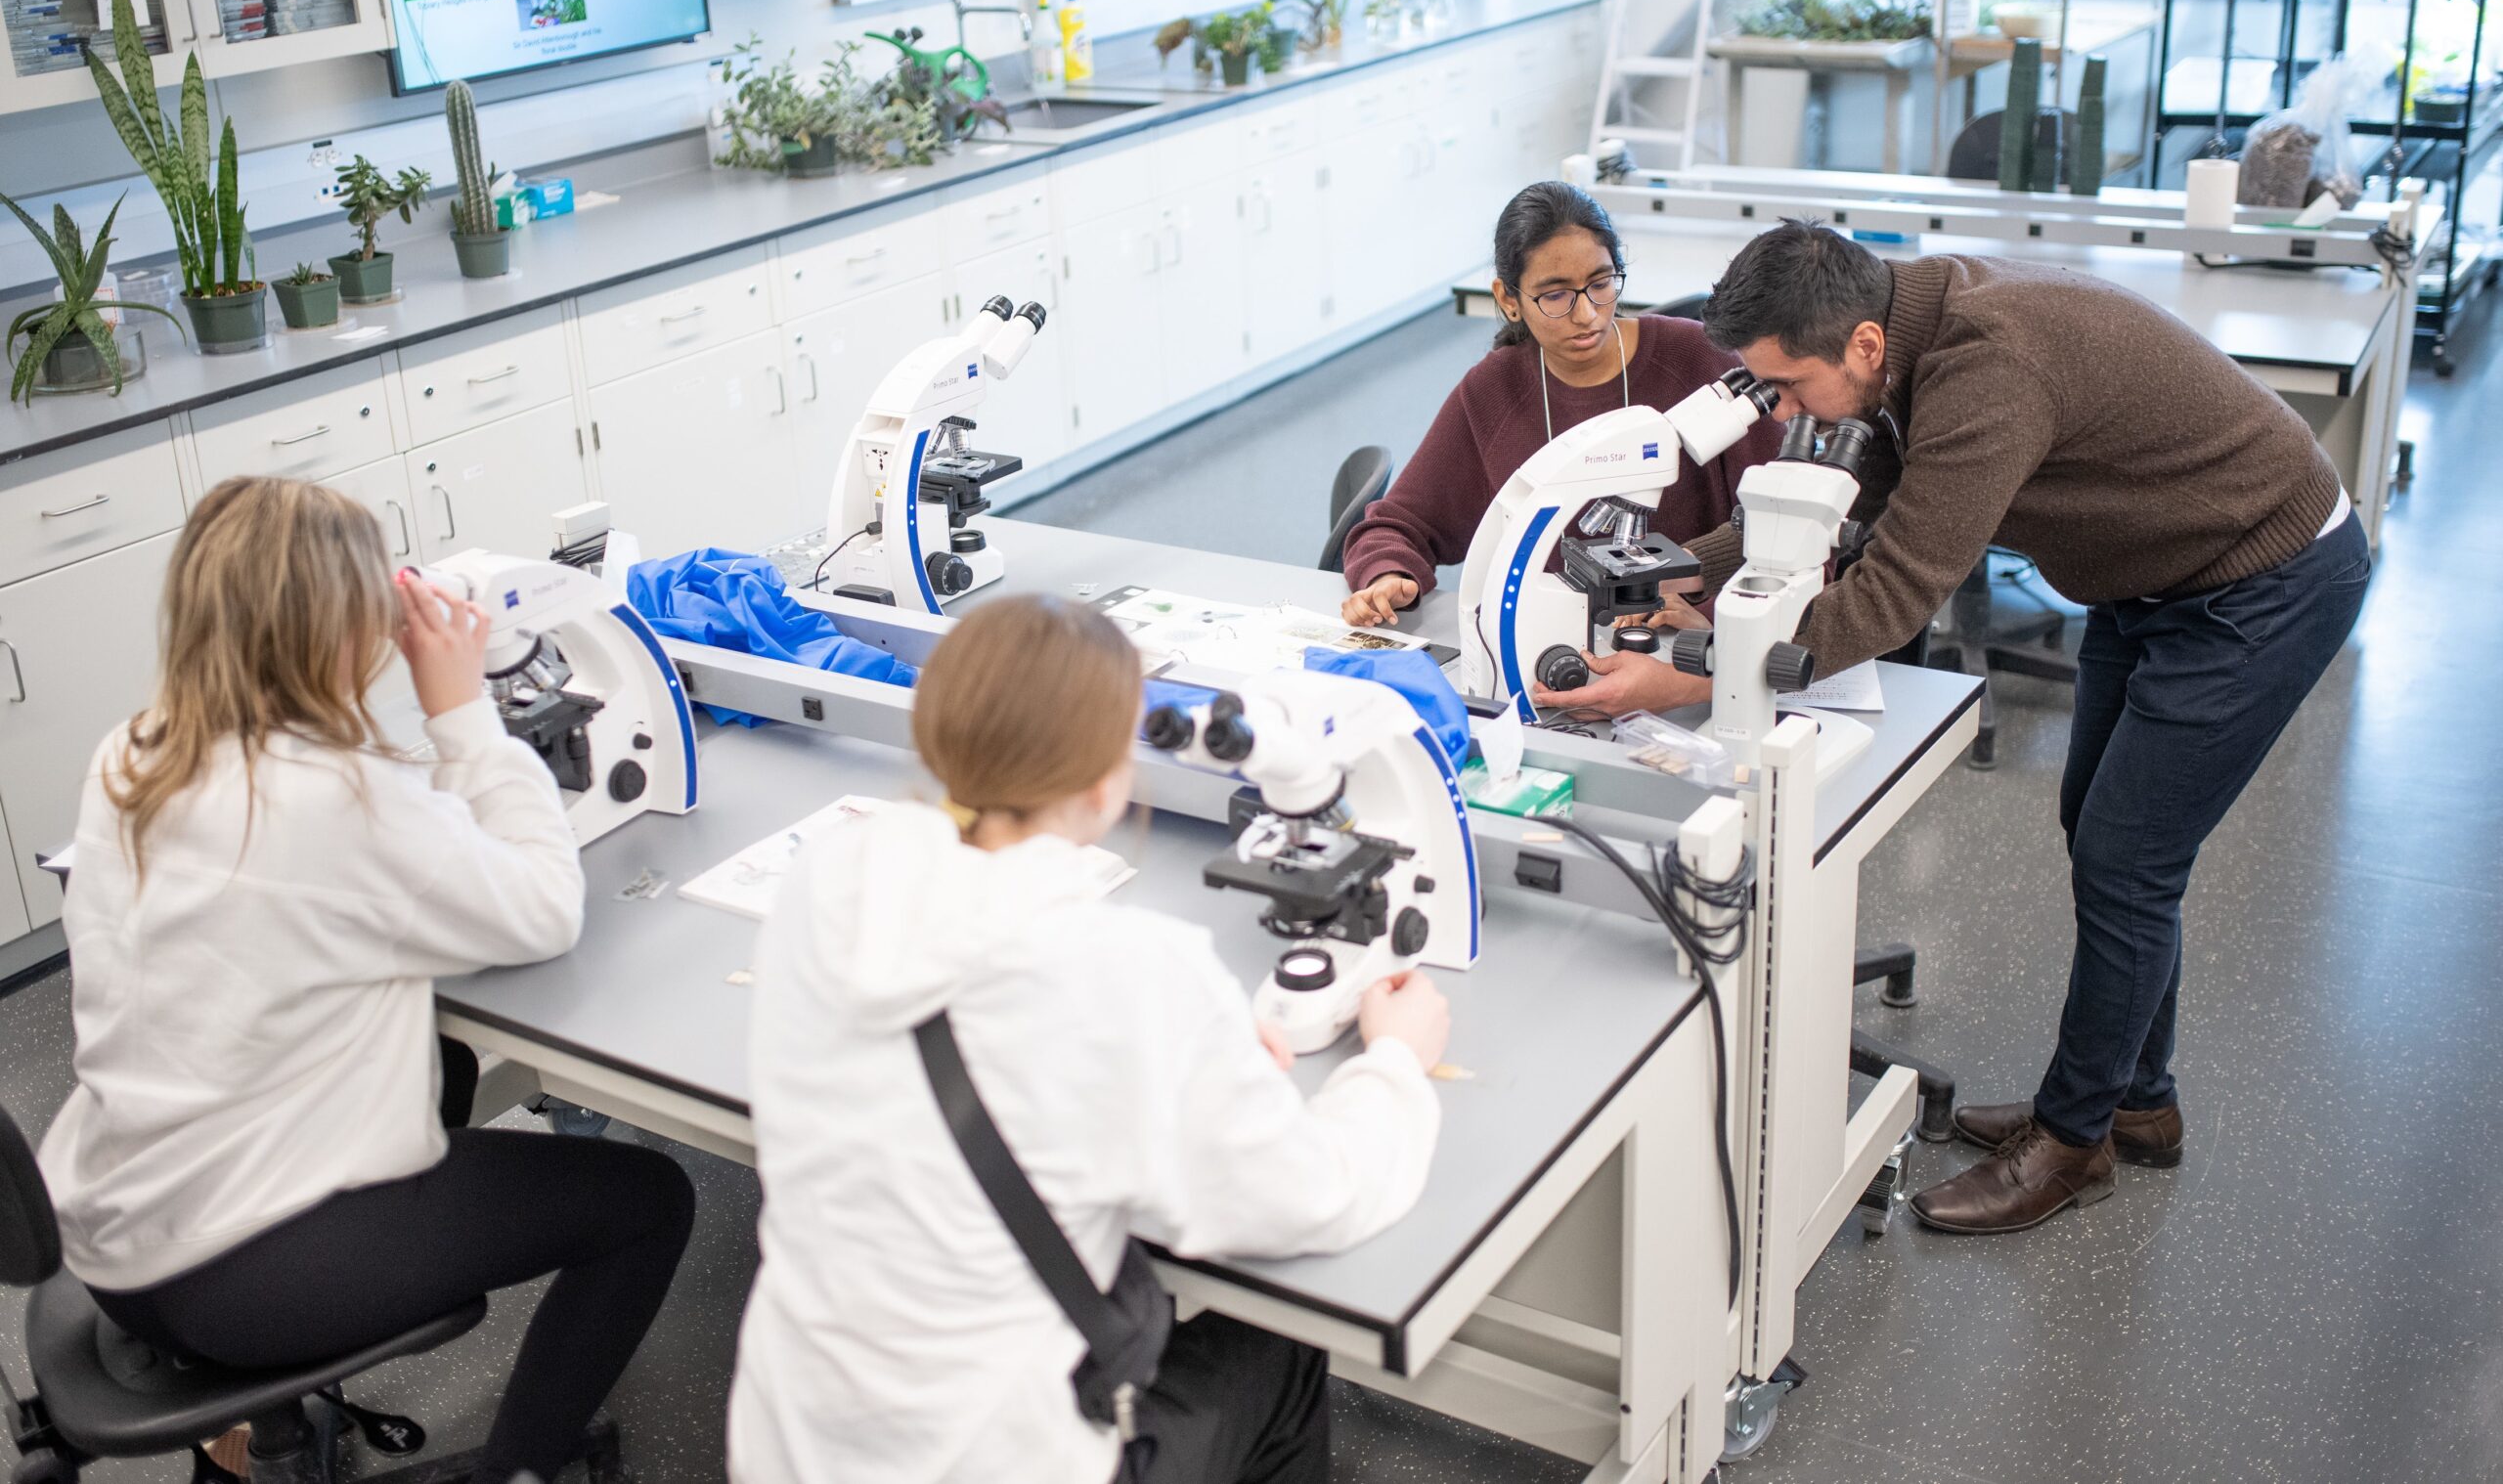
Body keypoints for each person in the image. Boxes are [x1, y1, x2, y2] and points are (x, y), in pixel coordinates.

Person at [1532, 220, 2371, 1236]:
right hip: (2150, 578)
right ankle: (2137, 1103)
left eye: (1790, 387)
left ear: (1862, 348)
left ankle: (2074, 1143)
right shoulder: (1899, 336)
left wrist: (1683, 677)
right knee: (2099, 833)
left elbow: (1893, 589)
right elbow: (1837, 505)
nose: (1784, 412)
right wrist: (1671, 570)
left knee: (2127, 860)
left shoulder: (1988, 367)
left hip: (2261, 580)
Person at [37, 476, 695, 1484]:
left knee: (431, 1060)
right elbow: (541, 911)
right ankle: (521, 1468)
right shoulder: (335, 801)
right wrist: (464, 710)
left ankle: (247, 1442)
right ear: (344, 628)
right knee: (648, 1199)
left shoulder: (133, 750)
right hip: (237, 1272)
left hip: (115, 1238)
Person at [728, 593, 1451, 1484]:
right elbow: (1314, 1198)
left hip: (789, 1443)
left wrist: (1191, 1056)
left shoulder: (828, 877)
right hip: (984, 1463)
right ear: (1110, 783)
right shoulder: (1130, 970)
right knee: (1278, 1354)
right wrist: (1392, 1064)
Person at [1340, 180, 1779, 629]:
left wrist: (1707, 621)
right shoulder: (1493, 392)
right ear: (1508, 300)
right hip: (1555, 643)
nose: (1587, 314)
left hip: (1694, 646)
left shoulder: (1698, 359)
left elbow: (1783, 522)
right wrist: (1387, 575)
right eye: (1555, 296)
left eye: (1601, 284)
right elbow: (1395, 526)